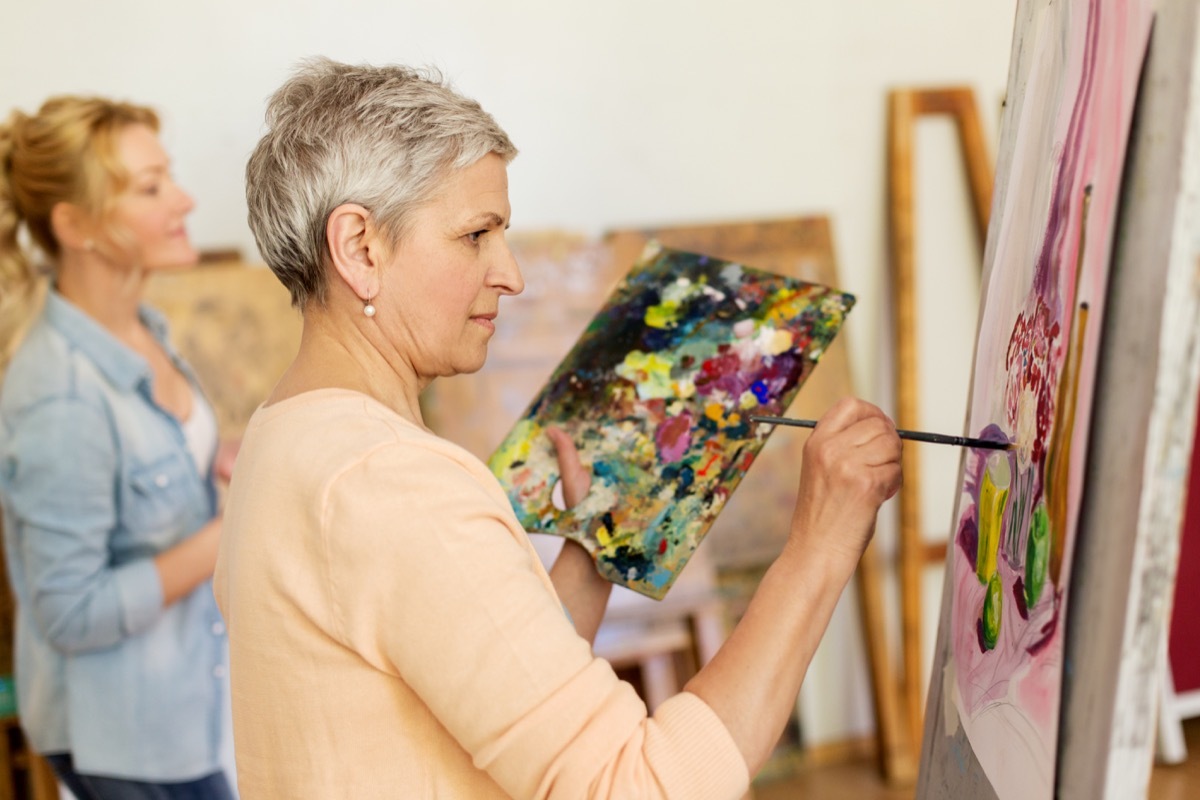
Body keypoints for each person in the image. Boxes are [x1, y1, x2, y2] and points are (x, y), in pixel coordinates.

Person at [216, 57, 902, 799]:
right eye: (475, 234)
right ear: (359, 248)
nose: (510, 273)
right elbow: (642, 788)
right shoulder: (394, 483)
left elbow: (481, 702)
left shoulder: (285, 434)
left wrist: (584, 554)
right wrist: (822, 544)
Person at [0, 96, 237, 798]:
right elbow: (71, 614)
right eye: (151, 187)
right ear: (75, 226)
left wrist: (214, 452)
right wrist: (232, 532)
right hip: (127, 738)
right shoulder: (59, 396)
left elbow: (146, 458)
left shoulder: (143, 328)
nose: (185, 199)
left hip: (184, 699)